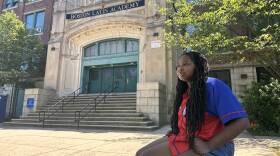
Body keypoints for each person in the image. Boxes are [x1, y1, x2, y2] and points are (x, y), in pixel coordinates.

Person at [136, 51, 250, 156]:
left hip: (214, 145)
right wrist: (179, 129)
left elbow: (242, 122)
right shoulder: (185, 93)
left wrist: (209, 145)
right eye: (178, 66)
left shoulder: (213, 86)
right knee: (140, 153)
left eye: (186, 64)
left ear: (198, 66)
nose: (180, 69)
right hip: (188, 138)